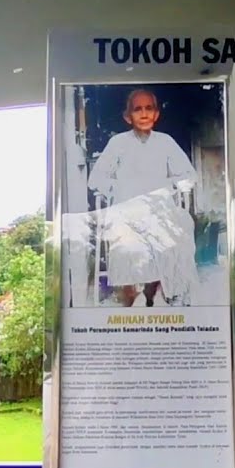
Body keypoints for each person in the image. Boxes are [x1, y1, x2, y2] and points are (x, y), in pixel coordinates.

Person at [88, 88, 199, 307]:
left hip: (160, 208)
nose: (144, 114)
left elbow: (189, 175)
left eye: (149, 108)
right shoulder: (118, 143)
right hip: (126, 209)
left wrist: (169, 186)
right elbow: (96, 179)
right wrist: (119, 187)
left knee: (177, 229)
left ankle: (158, 290)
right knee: (126, 237)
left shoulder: (165, 142)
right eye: (137, 109)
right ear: (127, 116)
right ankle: (134, 293)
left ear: (157, 114)